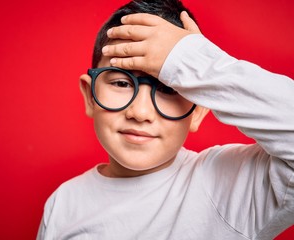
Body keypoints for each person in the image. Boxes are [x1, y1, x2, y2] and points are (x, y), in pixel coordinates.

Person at [37, 0, 294, 239]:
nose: (140, 113)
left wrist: (191, 60)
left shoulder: (231, 186)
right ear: (90, 96)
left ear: (197, 112)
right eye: (121, 82)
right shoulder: (62, 204)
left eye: (168, 89)